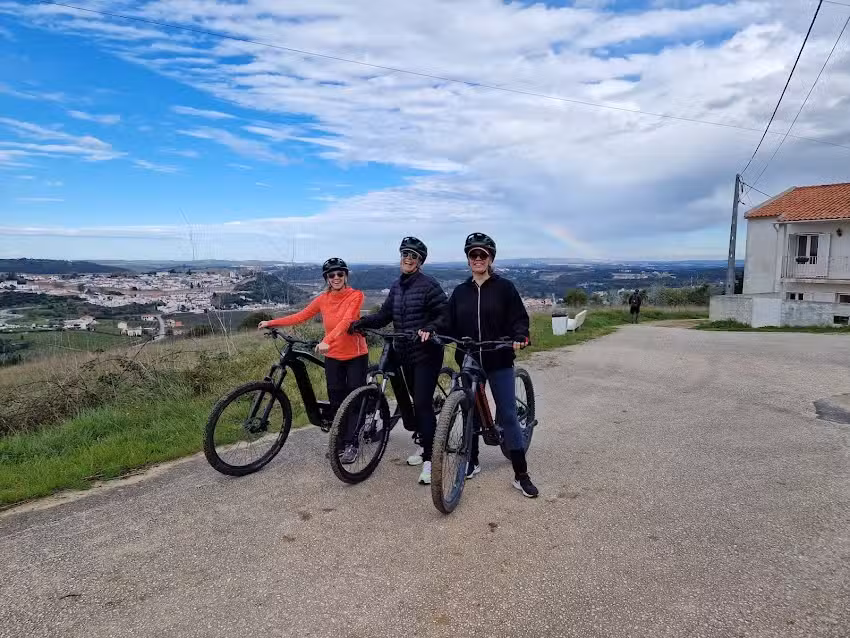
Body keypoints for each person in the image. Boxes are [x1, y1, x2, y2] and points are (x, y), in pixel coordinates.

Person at [439, 232, 539, 498]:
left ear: (490, 258)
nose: (478, 259)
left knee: (507, 414)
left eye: (483, 254)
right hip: (470, 357)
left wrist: (520, 335)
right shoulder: (460, 292)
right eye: (473, 254)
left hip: (499, 357)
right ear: (468, 259)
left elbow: (519, 318)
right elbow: (447, 321)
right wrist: (432, 330)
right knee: (467, 406)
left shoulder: (504, 288)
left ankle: (521, 474)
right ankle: (472, 460)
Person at [348, 237, 448, 485]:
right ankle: (426, 444)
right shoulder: (397, 286)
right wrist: (363, 322)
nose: (408, 258)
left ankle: (430, 459)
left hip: (426, 353)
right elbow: (384, 315)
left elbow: (445, 314)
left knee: (423, 404)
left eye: (413, 256)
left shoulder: (429, 285)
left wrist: (429, 327)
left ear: (420, 262)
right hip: (404, 352)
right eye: (405, 254)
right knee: (414, 401)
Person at [258, 258, 368, 464]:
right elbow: (301, 316)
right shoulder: (322, 299)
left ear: (346, 276)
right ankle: (342, 442)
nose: (336, 278)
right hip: (333, 356)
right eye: (331, 275)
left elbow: (346, 321)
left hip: (355, 355)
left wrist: (327, 340)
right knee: (337, 401)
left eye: (340, 274)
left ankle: (353, 442)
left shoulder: (356, 296)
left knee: (354, 399)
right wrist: (271, 322)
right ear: (327, 278)